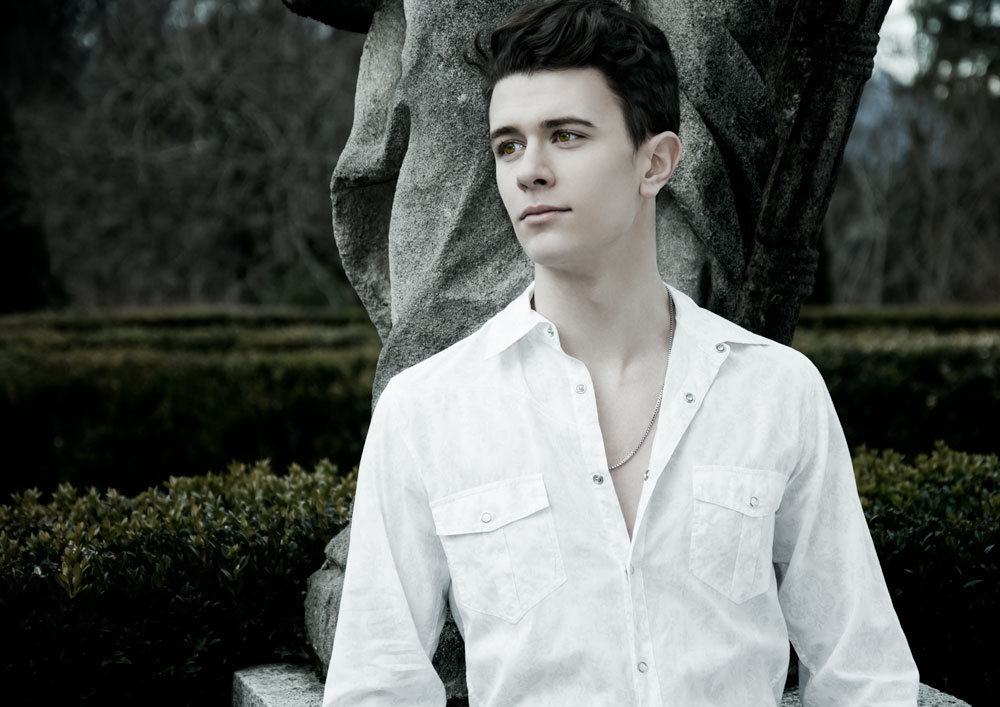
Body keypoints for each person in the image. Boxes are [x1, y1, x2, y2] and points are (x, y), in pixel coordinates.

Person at [322, 1, 919, 704]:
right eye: (508, 145)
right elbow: (375, 685)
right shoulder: (425, 410)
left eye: (566, 136)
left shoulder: (777, 391)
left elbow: (864, 676)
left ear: (655, 162)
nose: (529, 171)